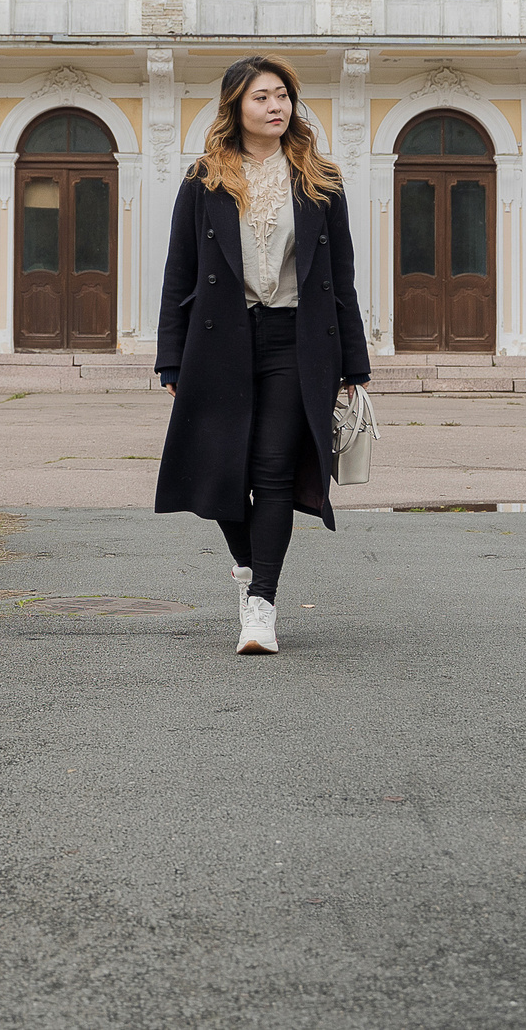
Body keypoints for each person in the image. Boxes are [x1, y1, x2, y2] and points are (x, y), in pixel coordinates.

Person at [155, 55, 371, 654]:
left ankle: (261, 606)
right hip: (219, 341)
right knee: (221, 469)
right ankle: (251, 567)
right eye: (261, 98)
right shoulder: (204, 180)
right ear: (235, 108)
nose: (276, 107)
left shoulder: (319, 180)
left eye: (283, 96)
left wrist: (353, 365)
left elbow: (340, 279)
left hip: (295, 341)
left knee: (273, 470)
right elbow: (180, 273)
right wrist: (170, 358)